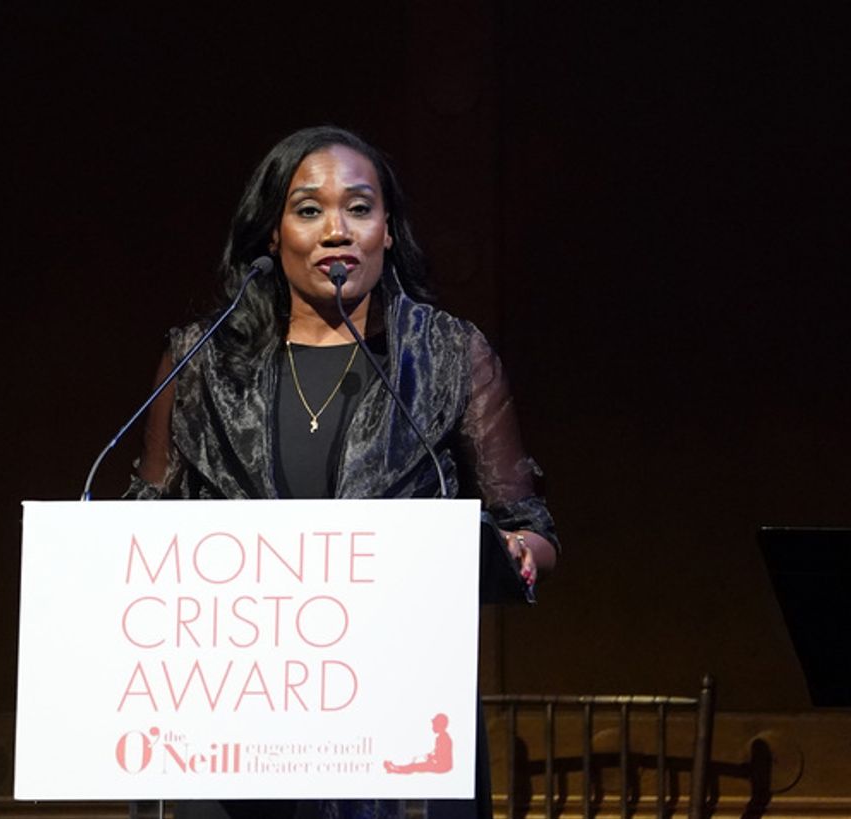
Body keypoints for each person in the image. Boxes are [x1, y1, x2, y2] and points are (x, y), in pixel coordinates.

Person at [124, 125, 560, 819]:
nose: (337, 230)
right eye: (308, 210)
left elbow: (528, 529)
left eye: (360, 208)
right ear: (272, 235)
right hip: (236, 736)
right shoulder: (202, 361)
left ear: (388, 232)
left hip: (399, 738)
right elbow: (140, 530)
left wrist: (515, 555)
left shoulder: (448, 356)